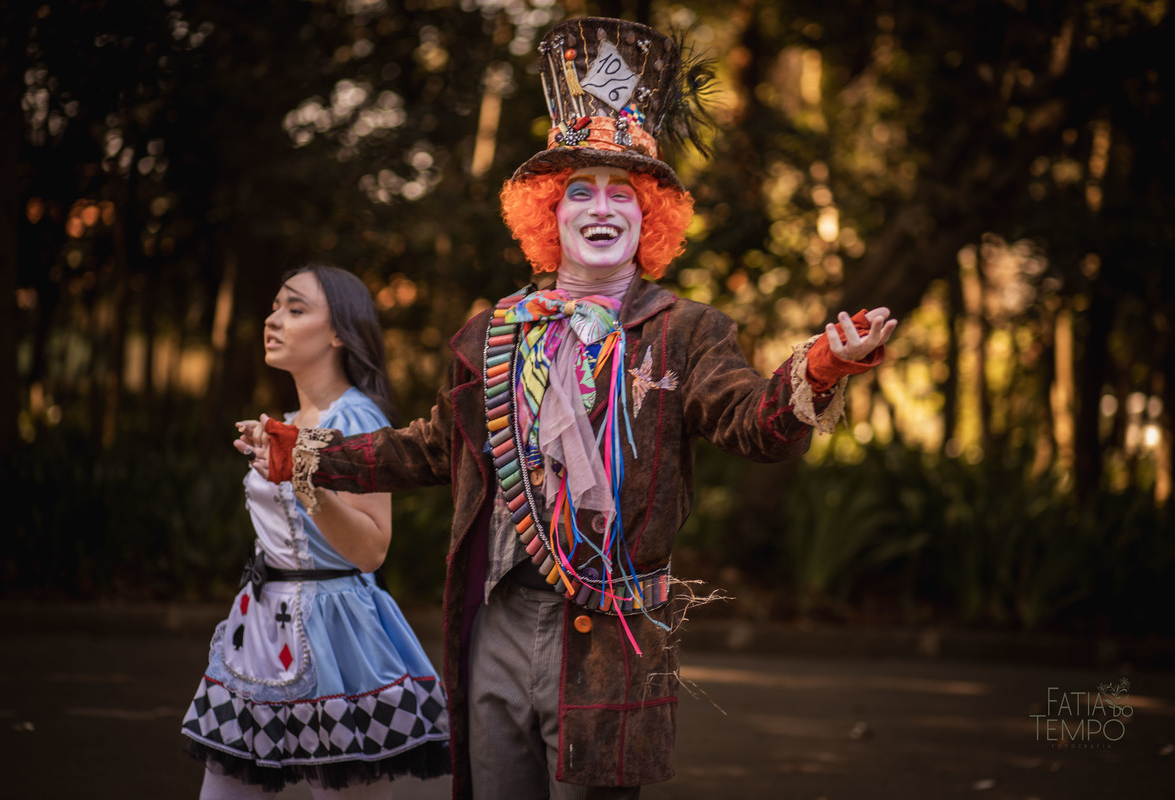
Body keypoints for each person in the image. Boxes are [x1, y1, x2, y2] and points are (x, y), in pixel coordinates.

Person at [243, 17, 896, 800]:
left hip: (610, 633)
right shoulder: (494, 332)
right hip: (496, 620)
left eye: (623, 192)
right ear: (547, 216)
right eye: (578, 190)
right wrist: (305, 454)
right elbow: (427, 450)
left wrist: (823, 365)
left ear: (649, 219)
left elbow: (753, 423)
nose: (601, 206)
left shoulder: (684, 331)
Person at [181, 264, 451, 799]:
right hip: (258, 628)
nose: (273, 319)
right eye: (276, 306)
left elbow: (372, 549)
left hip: (337, 632)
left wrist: (302, 474)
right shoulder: (285, 418)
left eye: (295, 308)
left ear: (338, 333)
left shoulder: (357, 417)